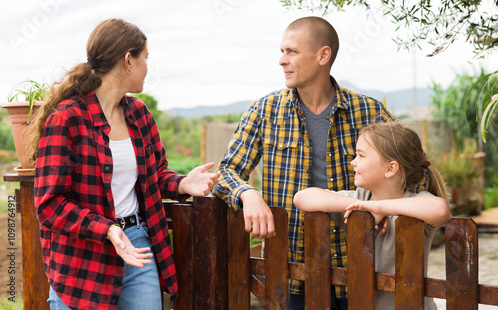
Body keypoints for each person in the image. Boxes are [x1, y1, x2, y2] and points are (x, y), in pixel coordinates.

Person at [29, 18, 220, 310]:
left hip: (137, 244)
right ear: (128, 61)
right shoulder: (66, 119)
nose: (147, 67)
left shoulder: (140, 114)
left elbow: (154, 175)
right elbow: (49, 205)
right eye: (145, 58)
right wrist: (106, 229)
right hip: (83, 258)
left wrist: (181, 183)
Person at [213, 16, 394, 309]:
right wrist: (247, 193)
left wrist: (385, 204)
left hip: (361, 265)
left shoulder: (369, 112)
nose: (282, 61)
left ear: (323, 55)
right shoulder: (265, 111)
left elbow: (411, 172)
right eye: (281, 52)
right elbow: (226, 171)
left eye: (292, 52)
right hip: (292, 270)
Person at [293, 122, 451, 309]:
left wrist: (381, 208)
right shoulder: (358, 200)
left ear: (390, 169)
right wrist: (365, 207)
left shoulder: (415, 202)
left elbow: (441, 210)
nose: (353, 161)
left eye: (361, 155)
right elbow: (302, 198)